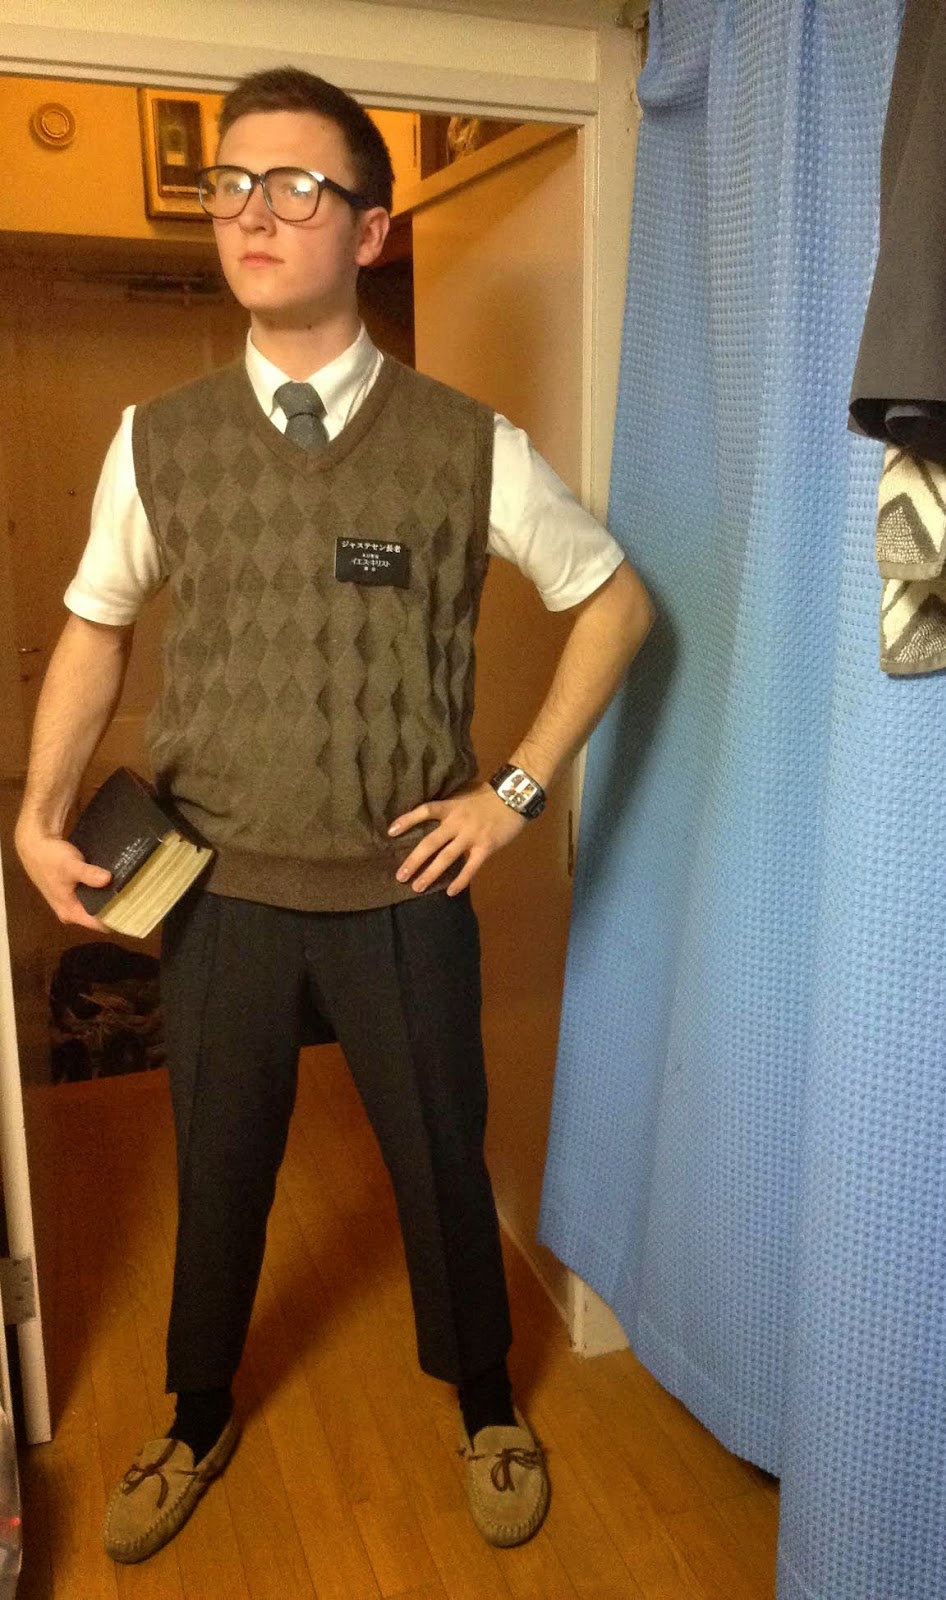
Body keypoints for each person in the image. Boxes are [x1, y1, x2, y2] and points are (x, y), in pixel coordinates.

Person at [14, 66, 653, 1565]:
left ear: (369, 230)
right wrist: (38, 815)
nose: (255, 211)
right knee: (220, 1166)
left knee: (441, 1164)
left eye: (297, 186)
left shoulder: (464, 444)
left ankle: (485, 1401)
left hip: (401, 892)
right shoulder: (156, 438)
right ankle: (193, 1413)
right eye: (233, 183)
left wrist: (513, 793)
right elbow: (97, 626)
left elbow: (616, 603)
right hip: (216, 892)